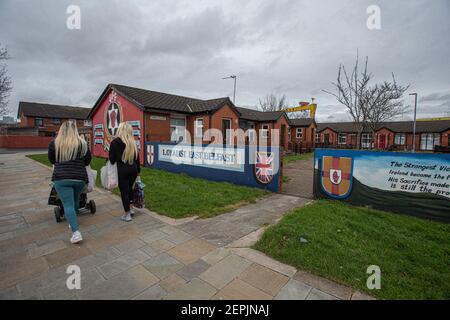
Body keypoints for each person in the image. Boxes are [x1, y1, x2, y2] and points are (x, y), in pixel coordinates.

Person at [48, 120, 91, 244]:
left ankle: (76, 232)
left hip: (62, 178)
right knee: (75, 200)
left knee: (67, 204)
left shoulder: (54, 143)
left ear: (61, 130)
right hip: (79, 178)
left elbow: (51, 159)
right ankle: (73, 221)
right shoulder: (82, 143)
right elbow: (87, 161)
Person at [109, 122, 140, 222]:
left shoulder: (115, 142)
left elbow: (112, 160)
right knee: (130, 189)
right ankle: (131, 209)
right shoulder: (133, 142)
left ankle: (127, 214)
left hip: (122, 170)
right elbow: (137, 158)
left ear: (120, 130)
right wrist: (138, 171)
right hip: (133, 169)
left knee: (124, 192)